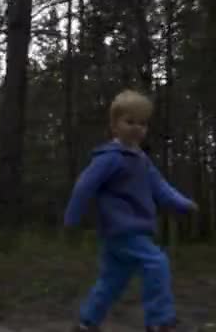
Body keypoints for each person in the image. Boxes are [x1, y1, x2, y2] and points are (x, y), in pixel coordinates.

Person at [64, 90, 198, 332]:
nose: (137, 128)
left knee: (112, 281)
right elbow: (84, 185)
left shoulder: (141, 160)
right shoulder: (110, 158)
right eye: (130, 121)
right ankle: (160, 321)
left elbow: (161, 188)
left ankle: (86, 323)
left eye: (143, 123)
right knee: (157, 263)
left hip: (125, 233)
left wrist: (183, 203)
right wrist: (72, 218)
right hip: (123, 229)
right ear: (114, 125)